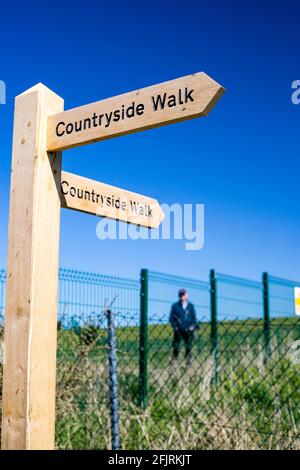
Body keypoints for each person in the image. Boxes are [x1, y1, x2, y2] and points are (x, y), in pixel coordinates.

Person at [169, 288, 198, 364]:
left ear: (186, 295)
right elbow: (171, 318)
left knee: (188, 346)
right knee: (176, 346)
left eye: (183, 294)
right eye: (181, 294)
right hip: (178, 330)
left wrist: (193, 326)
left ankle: (188, 362)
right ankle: (175, 361)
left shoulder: (191, 306)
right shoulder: (174, 306)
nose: (182, 296)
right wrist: (175, 327)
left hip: (188, 330)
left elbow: (194, 318)